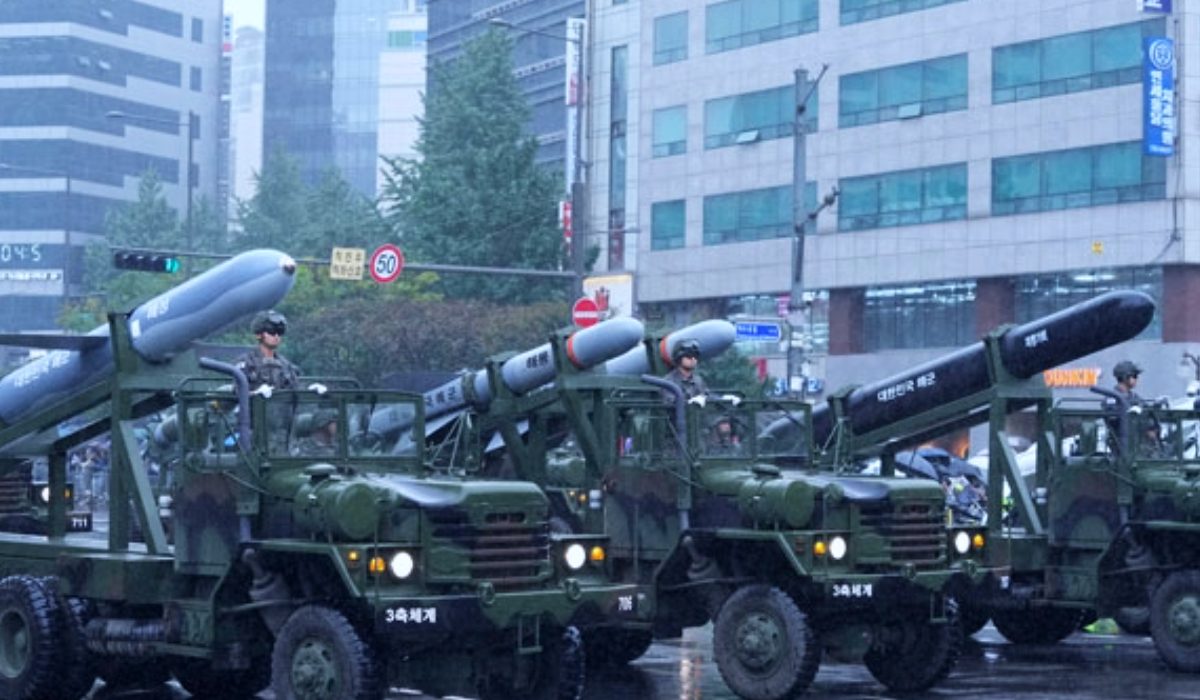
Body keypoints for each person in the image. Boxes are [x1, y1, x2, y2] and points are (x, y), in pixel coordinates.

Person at [236, 310, 300, 392]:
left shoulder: (286, 366)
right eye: (271, 331)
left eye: (280, 332)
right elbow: (238, 392)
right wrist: (255, 394)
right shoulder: (246, 363)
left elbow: (296, 391)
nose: (276, 336)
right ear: (259, 334)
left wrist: (312, 390)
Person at [663, 338, 708, 403]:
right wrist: (691, 402)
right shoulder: (669, 382)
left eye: (695, 356)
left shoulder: (698, 380)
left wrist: (722, 398)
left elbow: (708, 396)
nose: (693, 359)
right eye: (689, 356)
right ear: (679, 357)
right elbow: (670, 403)